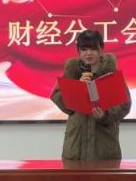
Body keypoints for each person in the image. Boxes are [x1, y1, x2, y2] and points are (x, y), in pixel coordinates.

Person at [49, 29, 131, 160]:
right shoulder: (72, 71)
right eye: (84, 49)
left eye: (93, 49)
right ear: (79, 51)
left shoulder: (111, 73)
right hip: (76, 145)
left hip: (104, 145)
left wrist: (105, 115)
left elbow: (125, 105)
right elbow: (56, 96)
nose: (88, 53)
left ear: (101, 50)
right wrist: (77, 88)